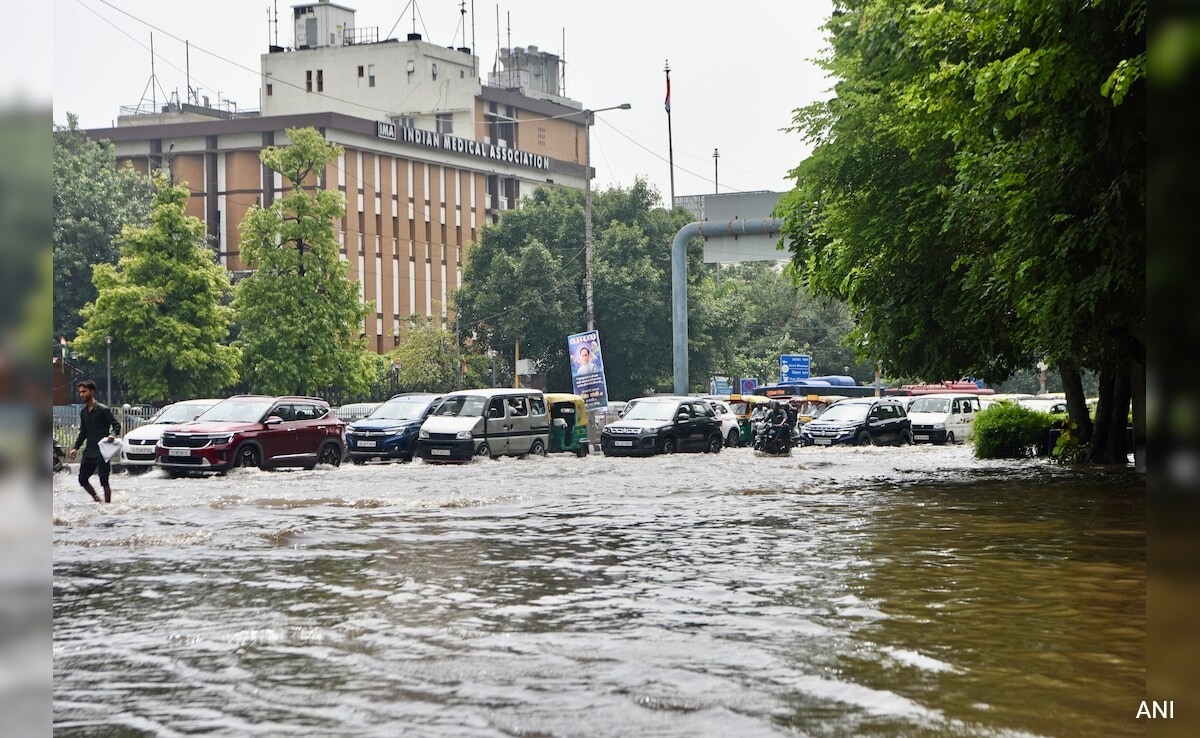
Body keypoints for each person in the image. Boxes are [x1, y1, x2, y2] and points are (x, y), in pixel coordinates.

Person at [68, 379, 121, 503]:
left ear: (92, 392)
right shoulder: (83, 412)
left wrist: (112, 434)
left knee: (104, 481)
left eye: (84, 391)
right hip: (89, 451)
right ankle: (97, 500)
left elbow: (116, 425)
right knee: (82, 479)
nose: (81, 394)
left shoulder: (103, 409)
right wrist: (75, 447)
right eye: (80, 392)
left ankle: (108, 506)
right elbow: (83, 432)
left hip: (102, 451)